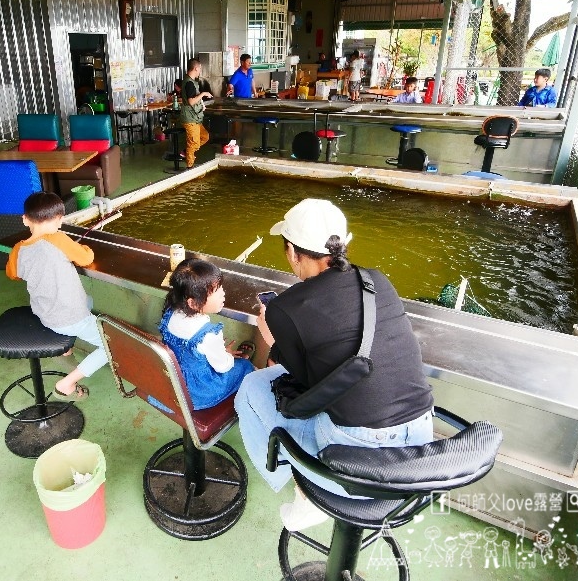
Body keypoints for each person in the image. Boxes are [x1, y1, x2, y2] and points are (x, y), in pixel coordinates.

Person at [234, 198, 435, 532]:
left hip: (358, 455)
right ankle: (316, 489)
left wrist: (272, 341)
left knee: (252, 389)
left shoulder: (284, 309)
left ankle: (309, 494)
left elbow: (308, 389)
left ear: (292, 251)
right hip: (421, 441)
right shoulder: (377, 280)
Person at [6, 191, 106, 401]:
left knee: (88, 300)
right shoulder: (58, 238)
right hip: (69, 319)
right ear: (59, 220)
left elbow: (13, 275)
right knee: (111, 345)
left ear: (25, 220)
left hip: (44, 314)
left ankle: (65, 349)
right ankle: (67, 383)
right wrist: (82, 246)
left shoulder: (18, 250)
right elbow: (86, 258)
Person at [160, 258, 254, 410]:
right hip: (197, 394)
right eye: (216, 291)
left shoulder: (170, 313)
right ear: (193, 303)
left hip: (173, 382)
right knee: (244, 366)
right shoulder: (208, 335)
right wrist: (227, 355)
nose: (223, 293)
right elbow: (222, 367)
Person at [180, 58, 213, 168]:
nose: (200, 71)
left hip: (195, 117)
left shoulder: (192, 81)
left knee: (204, 136)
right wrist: (203, 94)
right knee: (193, 143)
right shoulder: (189, 83)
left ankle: (187, 151)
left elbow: (195, 97)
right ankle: (190, 167)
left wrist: (202, 104)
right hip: (190, 118)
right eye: (199, 69)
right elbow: (191, 101)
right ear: (196, 68)